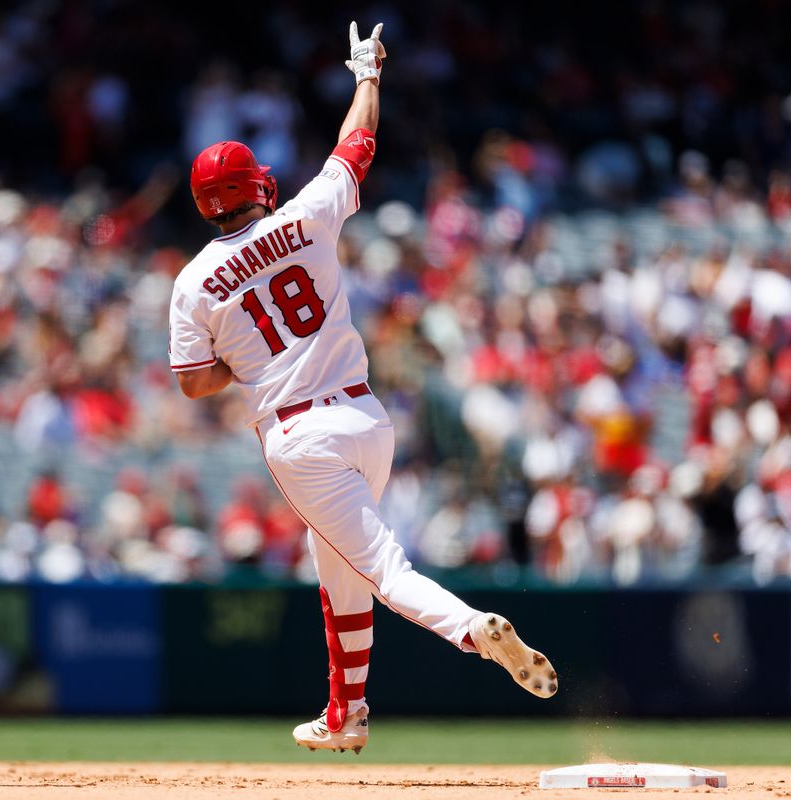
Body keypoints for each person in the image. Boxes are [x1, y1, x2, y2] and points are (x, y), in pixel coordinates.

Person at [169, 23, 558, 754]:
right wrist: (368, 75)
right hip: (365, 418)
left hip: (298, 435)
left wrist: (243, 361)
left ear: (200, 204)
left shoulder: (192, 282)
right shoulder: (309, 213)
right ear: (259, 186)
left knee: (382, 570)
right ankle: (346, 714)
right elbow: (358, 146)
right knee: (338, 566)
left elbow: (192, 383)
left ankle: (471, 629)